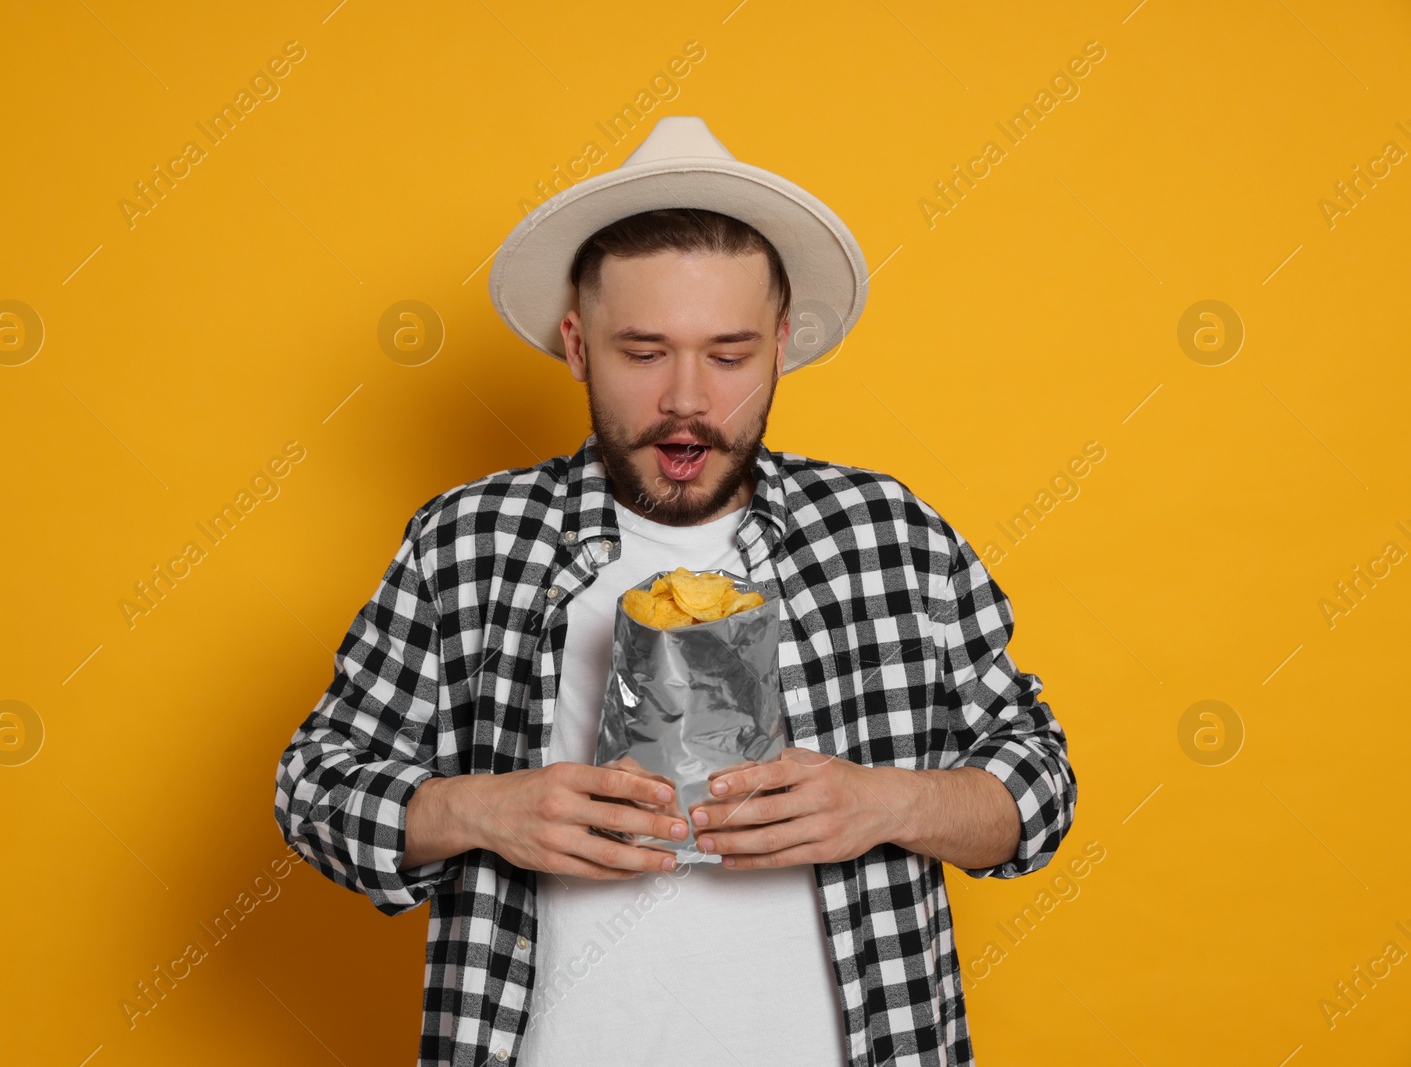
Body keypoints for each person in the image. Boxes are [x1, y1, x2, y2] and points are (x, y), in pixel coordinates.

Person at [273, 116, 1077, 1067]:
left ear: (782, 343)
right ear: (576, 344)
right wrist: (482, 811)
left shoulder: (886, 532)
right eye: (644, 352)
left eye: (729, 355)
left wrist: (887, 803)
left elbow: (1039, 784)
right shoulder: (469, 542)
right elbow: (314, 784)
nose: (688, 398)